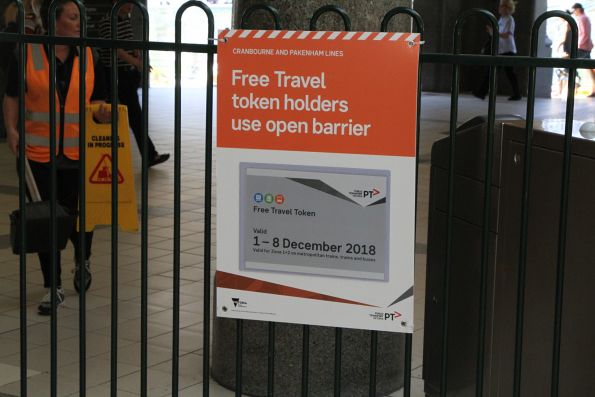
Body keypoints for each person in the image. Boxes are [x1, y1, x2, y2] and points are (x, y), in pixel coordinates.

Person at [2, 0, 110, 315]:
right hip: (38, 154)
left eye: (80, 17)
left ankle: (82, 257)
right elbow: (12, 96)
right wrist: (11, 129)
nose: (79, 23)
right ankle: (54, 286)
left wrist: (103, 112)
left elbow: (99, 99)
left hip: (79, 153)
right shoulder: (27, 52)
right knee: (46, 223)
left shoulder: (89, 55)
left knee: (80, 218)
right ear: (55, 21)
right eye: (73, 17)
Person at [98, 1, 169, 167]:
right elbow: (116, 49)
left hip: (127, 74)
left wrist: (138, 57)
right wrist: (137, 63)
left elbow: (128, 43)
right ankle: (147, 155)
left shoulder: (125, 19)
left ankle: (148, 155)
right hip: (114, 74)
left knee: (134, 116)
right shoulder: (108, 21)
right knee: (132, 116)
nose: (131, 5)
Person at [473, 0, 522, 101]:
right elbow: (498, 34)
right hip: (501, 49)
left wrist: (493, 32)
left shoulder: (510, 19)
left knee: (509, 73)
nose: (500, 8)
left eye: (502, 6)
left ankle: (517, 94)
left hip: (508, 50)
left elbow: (507, 34)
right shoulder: (501, 19)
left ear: (507, 8)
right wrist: (492, 32)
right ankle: (482, 92)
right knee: (494, 71)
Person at [570, 3, 595, 97]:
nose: (573, 13)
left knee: (571, 66)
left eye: (573, 11)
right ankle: (593, 89)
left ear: (577, 9)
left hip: (582, 46)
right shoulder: (586, 18)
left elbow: (583, 33)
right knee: (588, 68)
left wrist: (578, 45)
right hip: (587, 45)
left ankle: (574, 88)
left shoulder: (581, 18)